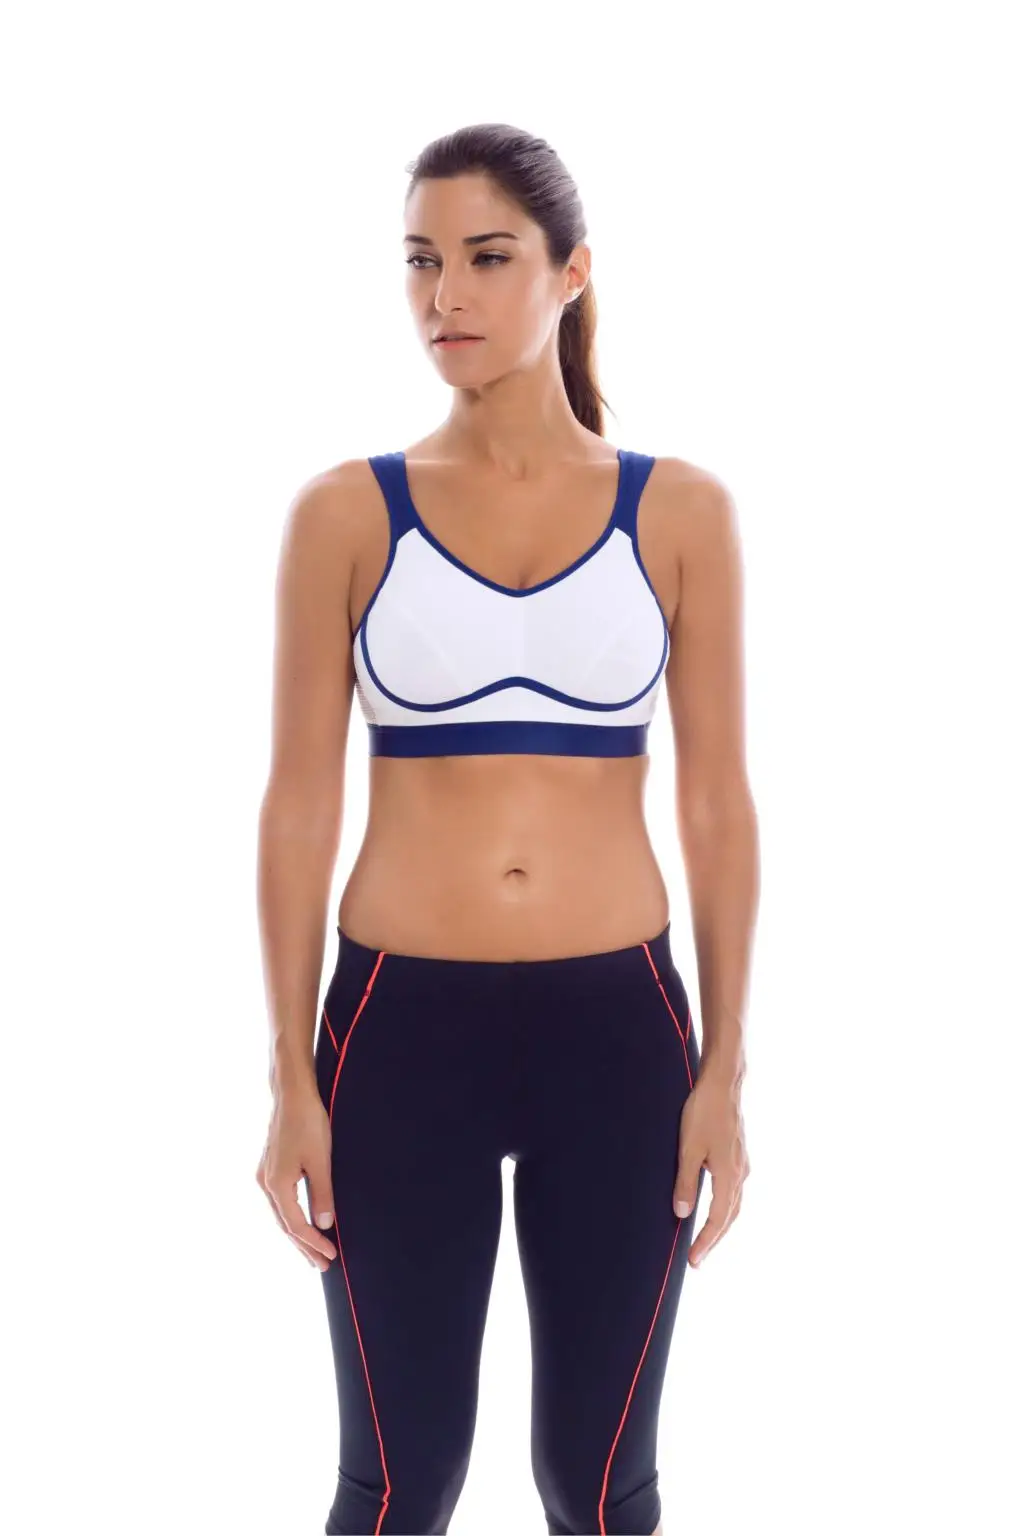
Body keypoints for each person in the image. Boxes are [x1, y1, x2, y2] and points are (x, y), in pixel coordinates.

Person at [255, 122, 758, 1536]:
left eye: (486, 258)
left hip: (621, 1029)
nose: (446, 296)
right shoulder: (346, 513)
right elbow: (299, 808)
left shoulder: (681, 512)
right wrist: (290, 1074)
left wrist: (724, 1066)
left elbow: (718, 805)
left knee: (596, 1487)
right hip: (398, 1031)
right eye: (421, 261)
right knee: (400, 1482)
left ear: (570, 273)